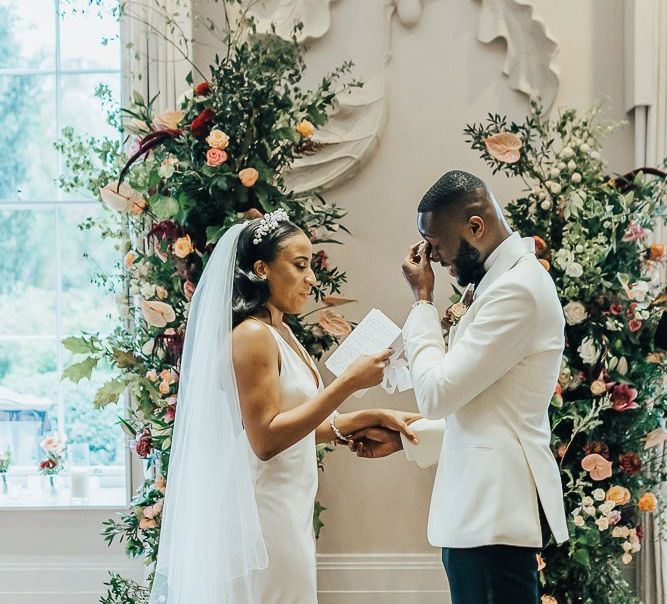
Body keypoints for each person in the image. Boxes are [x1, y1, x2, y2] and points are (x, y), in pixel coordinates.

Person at [149, 209, 420, 604]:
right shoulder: (252, 336)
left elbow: (299, 424)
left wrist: (372, 416)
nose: (312, 278)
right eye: (299, 266)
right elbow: (264, 438)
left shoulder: (282, 331)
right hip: (263, 516)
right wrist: (348, 383)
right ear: (261, 268)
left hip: (290, 511)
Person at [396, 170, 569, 604]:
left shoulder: (517, 289)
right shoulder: (499, 282)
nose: (430, 257)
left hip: (491, 513)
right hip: (479, 512)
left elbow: (436, 394)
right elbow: (489, 407)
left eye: (435, 244)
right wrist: (405, 438)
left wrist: (422, 304)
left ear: (475, 226)